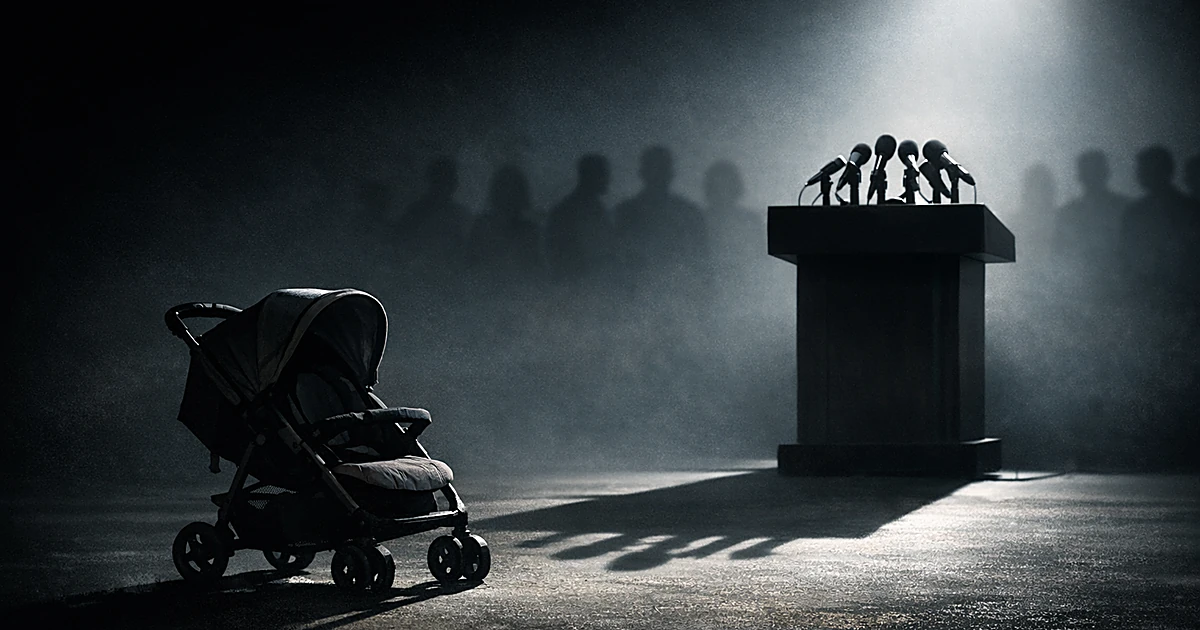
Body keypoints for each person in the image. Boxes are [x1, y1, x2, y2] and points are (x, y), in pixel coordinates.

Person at [612, 145, 710, 301]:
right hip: (638, 296)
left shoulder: (688, 213)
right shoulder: (626, 212)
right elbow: (618, 258)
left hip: (681, 296)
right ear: (643, 173)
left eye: (662, 169)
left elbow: (701, 259)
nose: (658, 175)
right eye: (654, 169)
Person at [394, 157, 471, 280]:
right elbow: (401, 246)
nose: (448, 185)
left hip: (452, 280)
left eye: (450, 180)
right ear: (432, 181)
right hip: (418, 279)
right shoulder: (415, 213)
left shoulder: (459, 215)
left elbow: (467, 251)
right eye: (442, 180)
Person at [545, 154, 614, 288]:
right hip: (575, 288)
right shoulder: (567, 212)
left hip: (593, 287)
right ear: (592, 176)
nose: (609, 179)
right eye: (604, 174)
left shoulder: (596, 209)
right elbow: (557, 255)